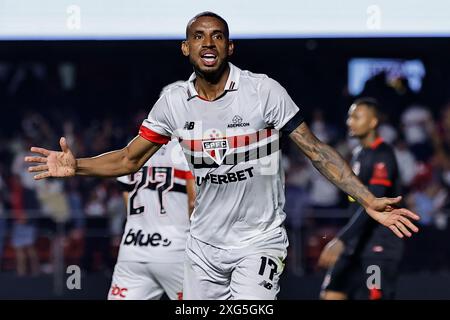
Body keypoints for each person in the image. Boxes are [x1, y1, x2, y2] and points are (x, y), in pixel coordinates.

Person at [25, 12, 419, 300]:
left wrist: (367, 199)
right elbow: (130, 159)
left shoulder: (262, 92)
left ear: (230, 47)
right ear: (186, 48)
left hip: (258, 242)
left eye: (217, 37)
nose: (208, 43)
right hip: (202, 248)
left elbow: (316, 151)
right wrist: (78, 165)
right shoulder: (174, 103)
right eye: (198, 36)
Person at [318, 98, 405, 300]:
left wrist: (341, 239)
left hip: (378, 245)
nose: (350, 121)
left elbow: (371, 204)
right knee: (330, 294)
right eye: (349, 116)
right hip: (355, 243)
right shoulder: (358, 154)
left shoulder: (384, 154)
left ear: (373, 122)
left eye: (356, 117)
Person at [108, 139, 195, 300]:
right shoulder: (187, 146)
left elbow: (127, 200)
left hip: (133, 248)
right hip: (176, 249)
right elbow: (193, 203)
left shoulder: (136, 144)